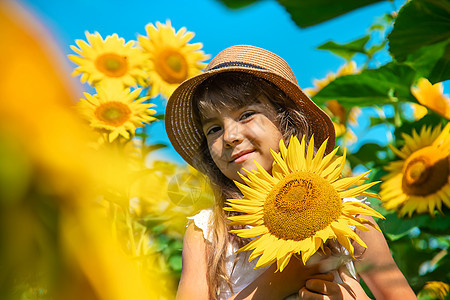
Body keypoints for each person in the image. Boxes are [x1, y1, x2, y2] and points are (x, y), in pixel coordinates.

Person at [165, 45, 416, 300]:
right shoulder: (208, 232)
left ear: (287, 122)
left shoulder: (348, 214)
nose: (230, 136)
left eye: (246, 115)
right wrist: (276, 283)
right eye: (214, 129)